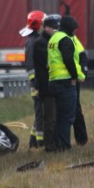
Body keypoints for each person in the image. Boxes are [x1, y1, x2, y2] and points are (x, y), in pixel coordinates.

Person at [48, 15, 80, 151]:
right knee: (67, 116)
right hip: (65, 82)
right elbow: (68, 60)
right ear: (69, 29)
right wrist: (74, 76)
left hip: (54, 81)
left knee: (59, 116)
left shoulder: (54, 38)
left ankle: (57, 145)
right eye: (74, 29)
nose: (75, 32)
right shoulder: (65, 40)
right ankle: (64, 147)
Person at [33, 14, 61, 152]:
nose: (55, 30)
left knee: (56, 116)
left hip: (54, 83)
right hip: (47, 85)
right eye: (53, 28)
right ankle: (49, 145)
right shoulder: (40, 43)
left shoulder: (51, 41)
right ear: (45, 28)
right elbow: (49, 62)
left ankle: (56, 142)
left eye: (57, 28)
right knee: (49, 117)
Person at [19, 10, 46, 148]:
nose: (44, 27)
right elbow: (31, 66)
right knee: (41, 113)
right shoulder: (33, 42)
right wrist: (36, 83)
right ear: (37, 25)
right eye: (42, 24)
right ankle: (40, 142)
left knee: (40, 112)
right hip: (37, 84)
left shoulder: (35, 40)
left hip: (38, 82)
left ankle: (33, 141)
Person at [72, 34, 89, 145]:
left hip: (71, 79)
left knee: (75, 108)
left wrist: (81, 74)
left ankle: (81, 139)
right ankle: (81, 139)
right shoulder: (73, 38)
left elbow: (82, 57)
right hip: (68, 78)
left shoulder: (72, 39)